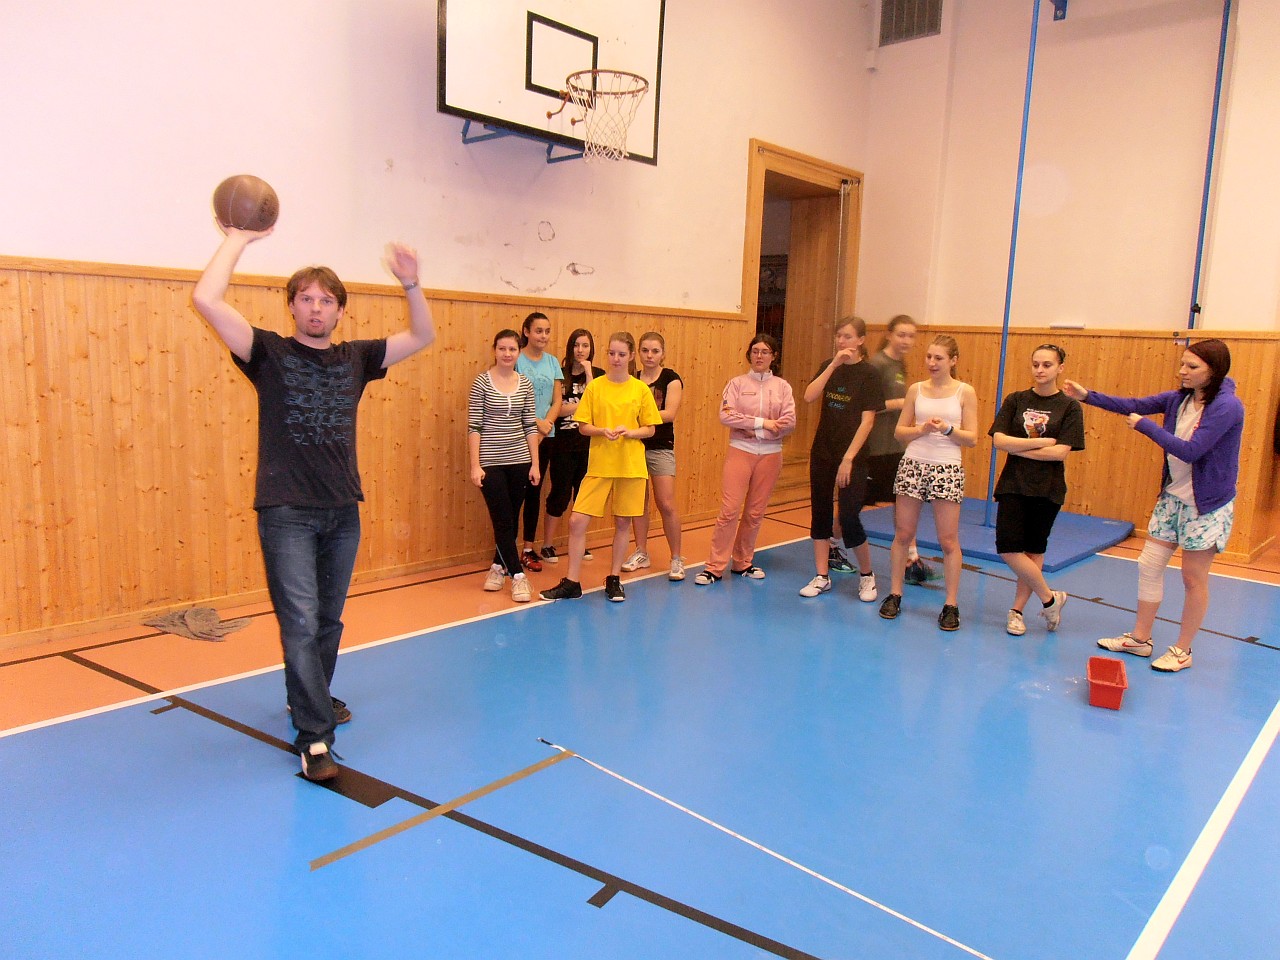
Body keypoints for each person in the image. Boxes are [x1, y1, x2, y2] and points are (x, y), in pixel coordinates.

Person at [192, 226, 436, 782]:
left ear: (340, 311)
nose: (316, 308)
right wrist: (237, 238)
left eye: (326, 300)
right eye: (306, 298)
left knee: (327, 620)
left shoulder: (356, 358)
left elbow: (423, 334)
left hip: (342, 510)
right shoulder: (268, 353)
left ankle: (311, 696)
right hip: (286, 512)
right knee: (300, 621)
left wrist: (411, 283)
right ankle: (315, 737)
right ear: (292, 306)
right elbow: (206, 299)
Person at [1063, 339, 1243, 672]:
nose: (1182, 371)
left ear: (1213, 371)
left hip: (1206, 505)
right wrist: (1087, 396)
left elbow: (1191, 451)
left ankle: (1182, 651)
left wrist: (1146, 427)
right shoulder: (1179, 399)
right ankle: (1140, 638)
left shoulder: (1227, 406)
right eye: (1182, 364)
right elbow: (1133, 404)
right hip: (1173, 498)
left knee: (1193, 578)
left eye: (1192, 367)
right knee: (1149, 565)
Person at [540, 332, 662, 603]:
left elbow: (650, 428)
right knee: (577, 521)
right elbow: (583, 426)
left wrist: (630, 432)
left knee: (622, 523)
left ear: (631, 356)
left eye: (621, 354)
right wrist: (601, 430)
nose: (616, 359)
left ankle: (614, 579)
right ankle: (572, 582)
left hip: (630, 466)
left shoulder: (640, 389)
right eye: (611, 353)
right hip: (599, 465)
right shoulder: (595, 387)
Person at [878, 335, 978, 630]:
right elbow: (900, 431)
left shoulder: (964, 392)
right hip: (913, 464)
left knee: (948, 540)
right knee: (903, 534)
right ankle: (895, 593)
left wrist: (947, 429)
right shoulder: (916, 390)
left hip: (947, 467)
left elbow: (972, 438)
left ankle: (951, 604)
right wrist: (920, 429)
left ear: (953, 361)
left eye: (939, 358)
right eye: (929, 357)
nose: (932, 363)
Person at [989, 344, 1085, 636]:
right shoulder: (1016, 400)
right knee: (1008, 548)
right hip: (1013, 484)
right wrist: (1041, 442)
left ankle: (1017, 612)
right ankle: (1050, 599)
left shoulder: (1069, 407)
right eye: (1036, 364)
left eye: (1047, 365)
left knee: (1033, 551)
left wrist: (1018, 446)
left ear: (1060, 368)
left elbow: (1060, 453)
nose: (1040, 370)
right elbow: (999, 441)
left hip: (1047, 489)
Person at [694, 334, 796, 584]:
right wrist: (763, 423)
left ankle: (742, 562)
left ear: (774, 356)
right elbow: (727, 415)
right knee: (729, 511)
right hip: (740, 451)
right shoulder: (736, 384)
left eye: (765, 351)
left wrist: (757, 428)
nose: (759, 356)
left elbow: (789, 422)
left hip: (770, 455)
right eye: (755, 351)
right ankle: (714, 567)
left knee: (754, 513)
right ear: (749, 354)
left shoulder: (782, 387)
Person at [798, 317, 884, 601]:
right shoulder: (829, 366)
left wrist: (848, 458)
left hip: (852, 456)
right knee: (820, 511)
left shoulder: (869, 374)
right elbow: (809, 396)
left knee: (848, 516)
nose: (841, 341)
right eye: (838, 336)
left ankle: (867, 575)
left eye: (847, 336)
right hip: (823, 450)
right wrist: (832, 366)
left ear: (860, 340)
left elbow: (868, 421)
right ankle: (822, 575)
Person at [469, 330, 541, 605]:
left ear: (518, 352)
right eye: (502, 348)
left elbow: (530, 425)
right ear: (494, 350)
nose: (507, 354)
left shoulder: (525, 384)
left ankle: (497, 567)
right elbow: (474, 426)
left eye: (512, 349)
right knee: (502, 519)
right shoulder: (482, 383)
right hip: (491, 462)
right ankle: (518, 576)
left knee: (511, 519)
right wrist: (475, 465)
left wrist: (535, 464)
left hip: (520, 460)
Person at [866, 314, 934, 585]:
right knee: (854, 504)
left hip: (895, 448)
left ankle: (911, 559)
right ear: (889, 335)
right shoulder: (877, 364)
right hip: (873, 449)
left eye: (911, 336)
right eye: (901, 334)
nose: (906, 340)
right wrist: (904, 402)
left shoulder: (899, 364)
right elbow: (869, 405)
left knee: (904, 502)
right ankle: (833, 544)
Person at [620, 332, 686, 581]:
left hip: (660, 446)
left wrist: (639, 418)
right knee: (639, 503)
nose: (649, 355)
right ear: (638, 353)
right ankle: (641, 551)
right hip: (635, 446)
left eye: (655, 351)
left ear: (663, 353)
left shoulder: (671, 378)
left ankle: (676, 557)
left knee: (666, 503)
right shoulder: (632, 379)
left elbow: (669, 413)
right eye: (645, 350)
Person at [540, 328, 603, 564]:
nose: (580, 350)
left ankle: (579, 543)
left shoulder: (597, 375)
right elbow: (556, 410)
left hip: (588, 445)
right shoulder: (561, 374)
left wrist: (588, 374)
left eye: (585, 346)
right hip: (563, 445)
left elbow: (597, 406)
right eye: (576, 345)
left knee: (583, 497)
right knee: (560, 494)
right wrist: (581, 404)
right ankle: (547, 544)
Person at [514, 311, 563, 572]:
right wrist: (536, 422)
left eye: (547, 331)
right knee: (515, 494)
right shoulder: (516, 360)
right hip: (519, 436)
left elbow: (557, 400)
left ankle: (528, 549)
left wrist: (546, 426)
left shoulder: (553, 362)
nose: (543, 336)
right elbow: (513, 397)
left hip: (546, 436)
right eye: (538, 331)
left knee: (534, 492)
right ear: (526, 332)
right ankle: (505, 551)